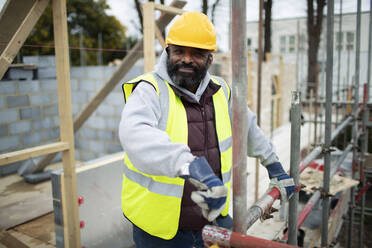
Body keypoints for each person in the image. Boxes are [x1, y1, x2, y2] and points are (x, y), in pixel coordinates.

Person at [118, 11, 295, 248]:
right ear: (168, 51)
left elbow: (248, 128)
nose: (186, 59)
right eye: (179, 51)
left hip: (210, 222)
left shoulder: (221, 91)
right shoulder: (150, 90)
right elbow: (136, 135)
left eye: (197, 54)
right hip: (159, 232)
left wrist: (274, 166)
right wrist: (190, 165)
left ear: (210, 59)